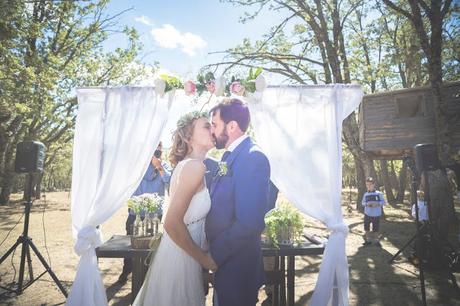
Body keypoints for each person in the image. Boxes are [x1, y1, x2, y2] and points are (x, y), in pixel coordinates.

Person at [133, 111, 217, 306]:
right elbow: (171, 223)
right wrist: (205, 260)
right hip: (181, 258)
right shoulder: (194, 167)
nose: (212, 129)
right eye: (206, 126)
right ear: (189, 137)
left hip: (183, 253)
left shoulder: (189, 165)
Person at [206, 98, 271, 306]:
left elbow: (250, 222)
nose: (212, 131)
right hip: (227, 265)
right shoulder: (230, 156)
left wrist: (214, 255)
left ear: (232, 126)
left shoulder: (253, 157)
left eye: (215, 125)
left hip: (237, 267)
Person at [118, 142, 171, 282]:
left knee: (150, 248)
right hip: (135, 214)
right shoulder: (136, 166)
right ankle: (126, 272)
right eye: (153, 150)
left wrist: (158, 166)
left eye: (158, 151)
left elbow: (170, 182)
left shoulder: (163, 166)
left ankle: (146, 277)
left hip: (154, 216)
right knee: (131, 246)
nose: (155, 154)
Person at [362, 177, 386, 246]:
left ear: (373, 184)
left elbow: (384, 202)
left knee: (376, 228)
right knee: (367, 227)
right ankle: (368, 240)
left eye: (370, 184)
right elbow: (362, 203)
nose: (368, 186)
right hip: (367, 214)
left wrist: (377, 204)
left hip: (376, 214)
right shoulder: (366, 194)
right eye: (367, 184)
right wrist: (367, 204)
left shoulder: (379, 193)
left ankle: (376, 241)